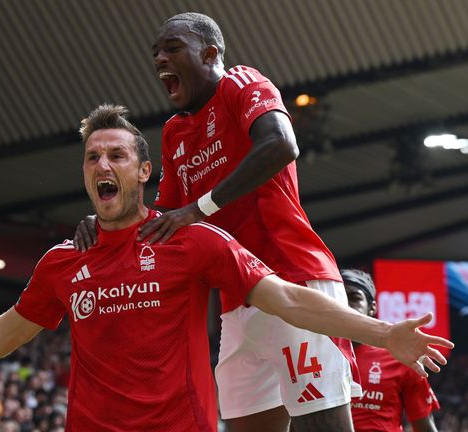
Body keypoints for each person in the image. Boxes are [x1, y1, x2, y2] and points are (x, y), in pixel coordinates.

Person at [0, 105, 452, 431]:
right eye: (93, 157)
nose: (102, 164)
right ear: (85, 176)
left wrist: (382, 335)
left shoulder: (190, 242)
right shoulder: (65, 262)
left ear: (145, 172)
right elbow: (4, 332)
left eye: (117, 154)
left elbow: (287, 299)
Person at [73, 12, 359, 431]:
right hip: (236, 304)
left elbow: (281, 143)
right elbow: (160, 219)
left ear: (209, 53)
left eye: (172, 48)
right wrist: (104, 221)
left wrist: (199, 209)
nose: (159, 59)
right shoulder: (174, 132)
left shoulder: (241, 84)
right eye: (155, 53)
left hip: (293, 280)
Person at [342, 269, 441, 432]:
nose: (345, 305)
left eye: (354, 298)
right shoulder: (313, 355)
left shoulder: (400, 357)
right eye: (340, 298)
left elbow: (425, 427)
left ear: (372, 308)